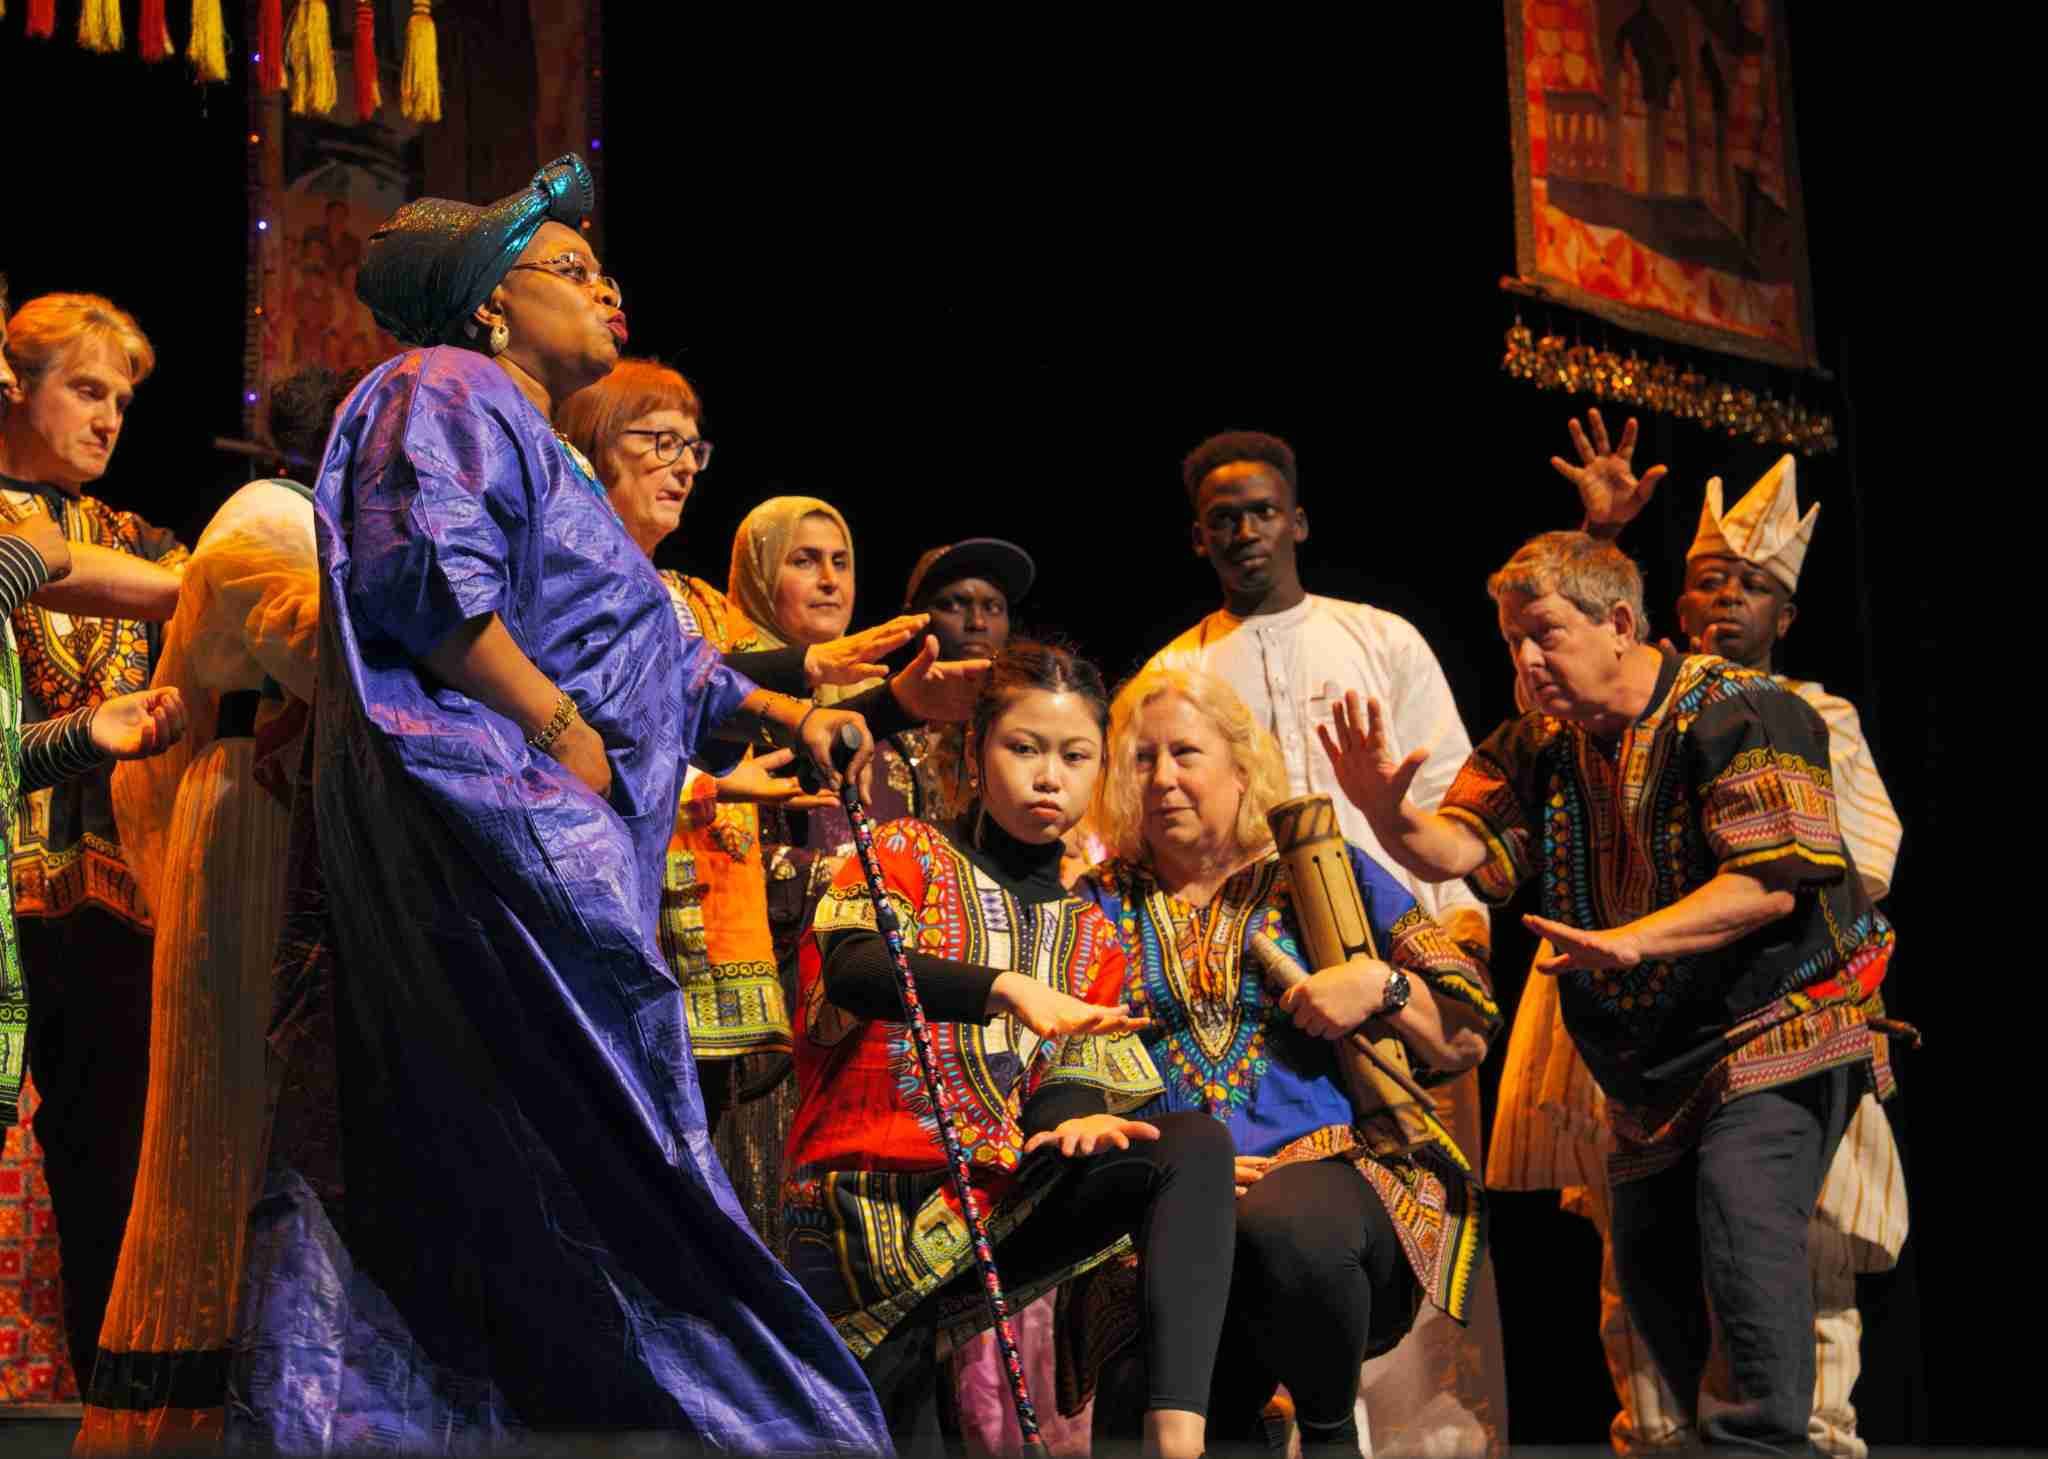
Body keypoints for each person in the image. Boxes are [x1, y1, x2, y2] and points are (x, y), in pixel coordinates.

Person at [225, 156, 891, 1450]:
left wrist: (788, 712)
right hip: (496, 834)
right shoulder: (443, 387)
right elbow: (426, 576)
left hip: (555, 843)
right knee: (594, 1139)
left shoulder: (548, 455)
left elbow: (659, 653)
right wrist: (554, 719)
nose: (608, 289)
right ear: (487, 305)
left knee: (506, 1153)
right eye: (570, 269)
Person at [1325, 529, 1896, 1453]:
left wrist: (1628, 941)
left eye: (1544, 633)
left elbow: (1769, 880)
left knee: (1745, 1249)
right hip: (1651, 1072)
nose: (1525, 659)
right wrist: (1392, 817)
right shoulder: (1540, 742)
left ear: (1622, 623)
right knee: (1657, 1301)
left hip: (1775, 1031)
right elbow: (1465, 850)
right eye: (1511, 641)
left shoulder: (1745, 708)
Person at [1486, 412, 1907, 1455]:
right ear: (1665, 604)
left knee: (1777, 1255)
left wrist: (1684, 916)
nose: (1725, 598)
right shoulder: (1609, 712)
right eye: (1708, 579)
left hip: (1768, 1011)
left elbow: (1844, 865)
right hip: (1627, 1029)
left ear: (1788, 611)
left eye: (1750, 585)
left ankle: (1791, 1439)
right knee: (1640, 1268)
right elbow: (1574, 641)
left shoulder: (1797, 711)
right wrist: (1595, 532)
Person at [782, 640, 1235, 1458]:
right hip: (862, 1211)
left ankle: (1179, 1440)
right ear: (976, 749)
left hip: (988, 1202)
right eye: (1023, 748)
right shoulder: (905, 851)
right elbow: (853, 967)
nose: (1048, 776)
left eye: (1074, 755)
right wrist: (1001, 986)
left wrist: (1075, 1120)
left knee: (1191, 1144)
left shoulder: (1092, 931)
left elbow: (1066, 1076)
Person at [1144, 428, 1505, 1451]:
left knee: (1395, 1280)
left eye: (1261, 510)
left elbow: (1449, 809)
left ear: (1296, 519)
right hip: (1242, 999)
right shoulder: (1176, 669)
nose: (1244, 531)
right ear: (1197, 538)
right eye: (1222, 519)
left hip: (1387, 987)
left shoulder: (1375, 639)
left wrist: (1425, 985)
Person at [553, 361, 982, 1212]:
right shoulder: (591, 583)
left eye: (691, 446)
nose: (681, 464)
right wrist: (714, 771)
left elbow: (714, 693)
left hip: (760, 973)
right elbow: (669, 698)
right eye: (657, 441)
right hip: (607, 923)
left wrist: (889, 703)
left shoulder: (677, 601)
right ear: (593, 451)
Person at [1071, 667, 1498, 1455]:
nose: (1163, 777)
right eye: (1142, 758)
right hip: (1169, 1205)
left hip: (1332, 1180)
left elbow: (1466, 1037)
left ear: (1242, 768)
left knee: (1287, 1229)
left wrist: (1380, 984)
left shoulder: (1320, 873)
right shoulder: (1094, 903)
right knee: (1137, 1399)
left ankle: (1331, 1438)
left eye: (1187, 754)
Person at [78, 367, 349, 1451]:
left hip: (284, 833)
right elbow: (322, 654)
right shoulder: (269, 518)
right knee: (229, 1122)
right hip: (248, 842)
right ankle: (199, 1411)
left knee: (279, 1120)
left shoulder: (305, 529)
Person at [0, 288, 190, 1394]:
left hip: (114, 901)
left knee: (110, 1166)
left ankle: (106, 1403)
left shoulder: (139, 539)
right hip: (8, 896)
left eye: (122, 398)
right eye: (86, 387)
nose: (111, 417)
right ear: (13, 383)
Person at [895, 537, 1034, 824]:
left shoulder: (1031, 720)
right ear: (911, 617)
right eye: (953, 605)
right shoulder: (883, 721)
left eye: (994, 607)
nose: (978, 623)